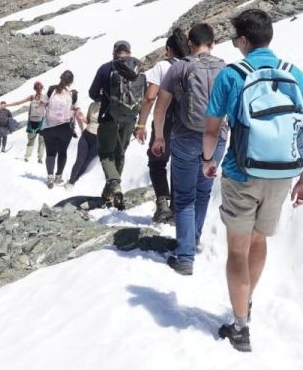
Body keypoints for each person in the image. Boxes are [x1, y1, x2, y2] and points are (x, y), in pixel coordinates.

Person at [202, 9, 303, 353]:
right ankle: (246, 301)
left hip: (242, 172)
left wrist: (209, 161)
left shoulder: (232, 74)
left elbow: (211, 128)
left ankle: (240, 326)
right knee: (259, 240)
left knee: (237, 248)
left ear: (243, 40)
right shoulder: (293, 74)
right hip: (282, 174)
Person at [152, 23, 226, 276]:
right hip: (217, 138)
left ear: (190, 44)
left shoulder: (179, 67)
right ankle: (191, 241)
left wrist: (159, 137)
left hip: (185, 137)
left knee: (184, 197)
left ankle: (184, 257)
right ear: (213, 43)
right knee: (203, 192)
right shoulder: (224, 68)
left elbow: (160, 108)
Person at [135, 29, 191, 224]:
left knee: (157, 162)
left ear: (168, 49)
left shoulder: (162, 66)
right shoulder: (193, 66)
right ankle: (177, 210)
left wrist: (141, 124)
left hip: (165, 120)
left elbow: (150, 97)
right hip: (188, 123)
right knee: (179, 163)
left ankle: (162, 204)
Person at [89, 40, 146, 209]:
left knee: (106, 154)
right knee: (120, 154)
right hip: (130, 118)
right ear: (129, 51)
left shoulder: (106, 68)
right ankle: (110, 193)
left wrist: (103, 98)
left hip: (109, 117)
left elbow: (92, 93)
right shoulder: (138, 68)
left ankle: (115, 186)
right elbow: (143, 94)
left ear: (114, 51)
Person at [39, 70, 78, 188]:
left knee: (50, 153)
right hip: (66, 128)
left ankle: (50, 177)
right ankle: (58, 177)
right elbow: (77, 111)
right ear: (71, 82)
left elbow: (42, 104)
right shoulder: (73, 94)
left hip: (49, 127)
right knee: (62, 152)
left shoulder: (51, 90)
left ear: (60, 78)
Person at [67, 100, 101, 187]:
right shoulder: (93, 105)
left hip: (98, 140)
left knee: (86, 162)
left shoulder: (110, 107)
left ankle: (75, 179)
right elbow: (89, 121)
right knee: (80, 160)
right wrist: (82, 118)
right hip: (86, 135)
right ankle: (71, 182)